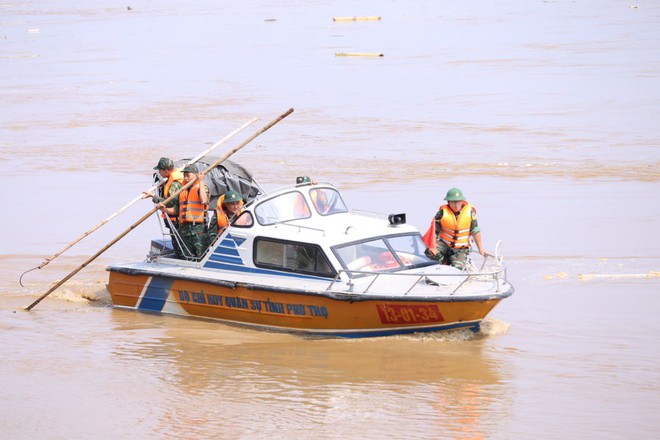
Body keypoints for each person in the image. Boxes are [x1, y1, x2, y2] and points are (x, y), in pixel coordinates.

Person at [422, 187, 487, 270]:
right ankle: (444, 261)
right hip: (445, 244)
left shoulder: (470, 212)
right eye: (453, 202)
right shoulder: (442, 212)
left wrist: (481, 249)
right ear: (448, 202)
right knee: (430, 252)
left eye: (458, 202)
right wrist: (432, 246)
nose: (456, 205)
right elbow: (434, 230)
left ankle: (453, 262)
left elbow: (475, 231)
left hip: (461, 248)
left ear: (462, 201)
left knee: (457, 269)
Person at [158, 164, 209, 260]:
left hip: (198, 230)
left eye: (188, 175)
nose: (185, 178)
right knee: (187, 257)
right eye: (184, 176)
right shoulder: (182, 191)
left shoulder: (201, 187)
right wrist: (162, 209)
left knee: (201, 256)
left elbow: (204, 200)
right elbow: (175, 211)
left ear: (196, 175)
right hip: (184, 230)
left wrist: (201, 181)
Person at [145, 157, 184, 257]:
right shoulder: (173, 178)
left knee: (179, 246)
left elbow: (169, 202)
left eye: (160, 170)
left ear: (166, 171)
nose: (159, 173)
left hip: (176, 220)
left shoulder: (174, 184)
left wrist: (153, 196)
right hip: (175, 219)